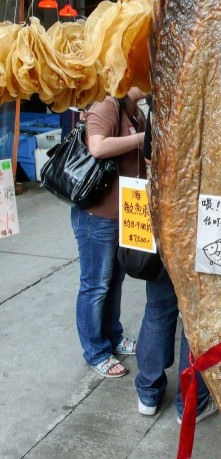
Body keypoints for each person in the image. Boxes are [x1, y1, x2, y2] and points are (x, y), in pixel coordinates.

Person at [135, 102, 217, 424]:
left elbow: (148, 158)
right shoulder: (215, 95)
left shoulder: (164, 96)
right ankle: (190, 404)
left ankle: (148, 393)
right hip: (202, 217)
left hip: (166, 214)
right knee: (193, 316)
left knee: (158, 307)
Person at [71, 88, 146, 378]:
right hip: (96, 216)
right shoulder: (106, 105)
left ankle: (113, 336)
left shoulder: (136, 111)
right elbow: (98, 147)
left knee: (114, 281)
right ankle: (95, 351)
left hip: (123, 213)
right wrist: (142, 139)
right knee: (95, 285)